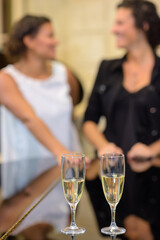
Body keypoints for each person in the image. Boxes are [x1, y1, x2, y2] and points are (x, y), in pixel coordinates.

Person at [0, 15, 84, 240]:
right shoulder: (6, 79)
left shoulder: (63, 74)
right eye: (50, 36)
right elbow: (29, 118)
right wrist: (62, 153)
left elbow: (72, 111)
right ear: (28, 40)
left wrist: (67, 158)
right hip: (25, 173)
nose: (55, 41)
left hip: (65, 172)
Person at [83, 0, 160, 239]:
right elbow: (89, 121)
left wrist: (151, 149)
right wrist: (103, 146)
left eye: (120, 22)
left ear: (143, 26)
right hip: (108, 175)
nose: (113, 29)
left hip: (152, 175)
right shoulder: (107, 68)